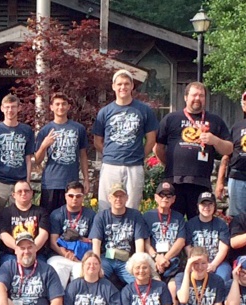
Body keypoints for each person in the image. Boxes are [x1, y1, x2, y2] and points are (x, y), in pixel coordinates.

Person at [155, 82, 232, 218]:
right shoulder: (171, 119)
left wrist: (215, 140)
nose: (197, 98)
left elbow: (229, 148)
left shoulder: (215, 121)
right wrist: (169, 164)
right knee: (173, 222)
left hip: (200, 183)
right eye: (194, 95)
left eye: (201, 95)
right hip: (175, 181)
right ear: (186, 97)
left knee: (199, 224)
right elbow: (158, 147)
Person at [92, 69, 159, 211]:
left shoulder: (144, 110)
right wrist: (111, 155)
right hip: (110, 165)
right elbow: (97, 141)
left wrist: (140, 156)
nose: (123, 87)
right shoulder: (105, 112)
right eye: (120, 84)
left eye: (126, 84)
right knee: (106, 205)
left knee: (132, 205)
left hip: (134, 165)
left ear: (132, 86)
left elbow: (151, 139)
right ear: (113, 86)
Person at [34, 93, 90, 214]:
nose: (61, 107)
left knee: (70, 217)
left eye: (64, 104)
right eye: (57, 104)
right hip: (50, 182)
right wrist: (44, 145)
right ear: (51, 107)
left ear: (68, 106)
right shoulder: (45, 130)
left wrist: (86, 179)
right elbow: (37, 160)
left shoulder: (78, 129)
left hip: (71, 182)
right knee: (48, 218)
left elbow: (83, 155)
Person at [0, 94, 35, 223]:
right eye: (7, 107)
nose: (10, 110)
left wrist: (27, 181)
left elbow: (28, 158)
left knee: (19, 217)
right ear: (2, 108)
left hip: (19, 180)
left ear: (19, 108)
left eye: (13, 107)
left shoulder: (26, 130)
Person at [90, 183, 150, 285]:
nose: (118, 199)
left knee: (138, 281)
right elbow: (96, 243)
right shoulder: (101, 216)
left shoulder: (135, 215)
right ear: (109, 198)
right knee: (95, 278)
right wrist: (97, 264)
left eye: (121, 196)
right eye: (115, 196)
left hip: (127, 259)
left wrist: (138, 264)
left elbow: (139, 242)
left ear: (127, 198)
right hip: (107, 258)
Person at [47, 181, 96, 288]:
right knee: (57, 270)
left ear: (83, 197)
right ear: (65, 196)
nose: (74, 198)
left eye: (78, 196)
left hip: (82, 257)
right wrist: (66, 254)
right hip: (60, 255)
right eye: (71, 195)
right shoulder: (56, 214)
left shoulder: (91, 215)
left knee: (81, 274)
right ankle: (58, 301)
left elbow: (93, 241)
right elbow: (53, 241)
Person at [0, 180, 50, 265]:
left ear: (32, 193)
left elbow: (44, 234)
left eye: (26, 191)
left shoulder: (41, 212)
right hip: (11, 254)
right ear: (14, 195)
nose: (23, 193)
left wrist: (30, 250)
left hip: (36, 253)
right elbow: (3, 235)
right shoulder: (5, 213)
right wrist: (19, 250)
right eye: (19, 191)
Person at [142, 182, 186, 281]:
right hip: (152, 261)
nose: (165, 198)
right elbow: (145, 242)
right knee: (155, 283)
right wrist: (156, 257)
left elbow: (181, 241)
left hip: (172, 260)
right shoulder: (147, 216)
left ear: (173, 199)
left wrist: (165, 258)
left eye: (168, 195)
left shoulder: (178, 217)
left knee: (173, 287)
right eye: (162, 195)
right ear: (156, 197)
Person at [185, 192, 232, 281]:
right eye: (203, 204)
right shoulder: (190, 224)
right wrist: (198, 264)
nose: (207, 207)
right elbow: (188, 248)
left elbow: (223, 248)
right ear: (198, 206)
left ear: (214, 206)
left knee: (223, 277)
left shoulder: (221, 224)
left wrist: (214, 264)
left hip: (219, 263)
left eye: (210, 204)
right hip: (196, 261)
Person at [216, 89, 246, 216]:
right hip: (237, 177)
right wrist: (220, 182)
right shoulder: (236, 127)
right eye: (245, 101)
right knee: (237, 219)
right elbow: (226, 156)